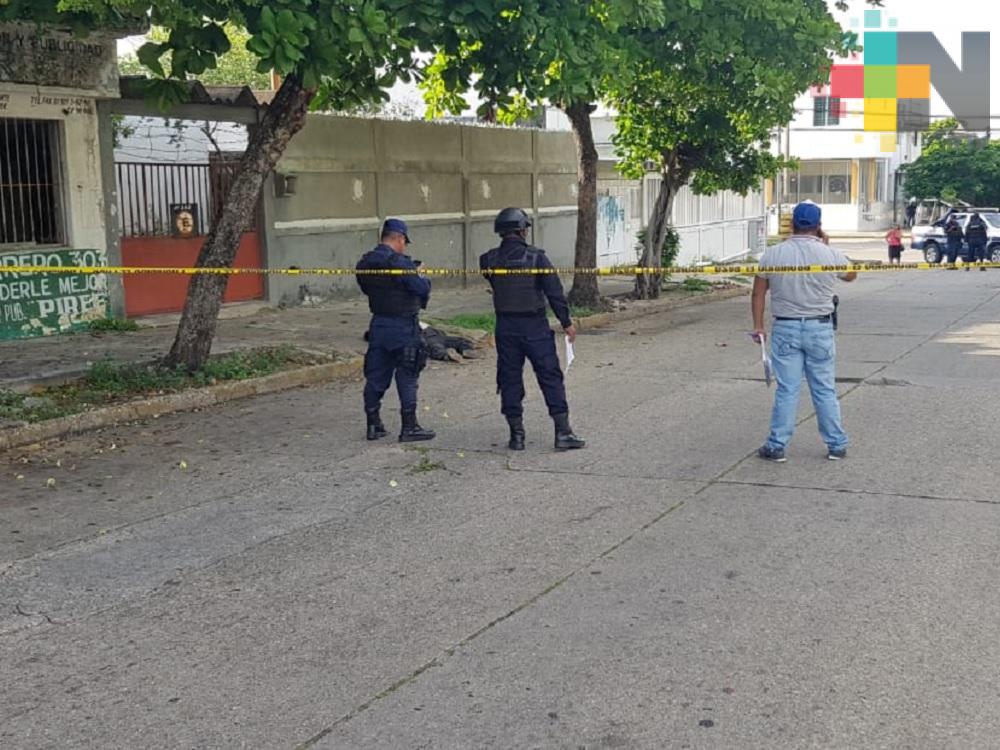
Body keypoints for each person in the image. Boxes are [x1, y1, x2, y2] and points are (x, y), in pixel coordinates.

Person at [752, 201, 857, 463]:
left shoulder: (773, 255)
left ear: (792, 224)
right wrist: (826, 246)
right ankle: (836, 444)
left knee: (787, 389)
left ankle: (777, 445)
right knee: (824, 388)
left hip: (785, 327)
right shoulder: (830, 255)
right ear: (819, 225)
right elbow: (851, 275)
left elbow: (758, 293)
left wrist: (758, 326)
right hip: (820, 327)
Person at [480, 207, 585, 452]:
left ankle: (516, 436)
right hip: (534, 326)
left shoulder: (488, 259)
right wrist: (566, 322)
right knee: (550, 377)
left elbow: (495, 282)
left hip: (506, 327)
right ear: (522, 231)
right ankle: (563, 432)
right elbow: (554, 292)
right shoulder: (537, 258)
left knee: (509, 379)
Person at [356, 218, 435, 443]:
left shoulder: (365, 262)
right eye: (404, 242)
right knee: (408, 375)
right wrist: (421, 275)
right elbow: (421, 289)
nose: (404, 247)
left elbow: (366, 289)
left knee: (375, 376)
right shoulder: (400, 263)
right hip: (403, 325)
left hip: (379, 324)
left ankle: (373, 424)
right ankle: (409, 427)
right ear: (399, 238)